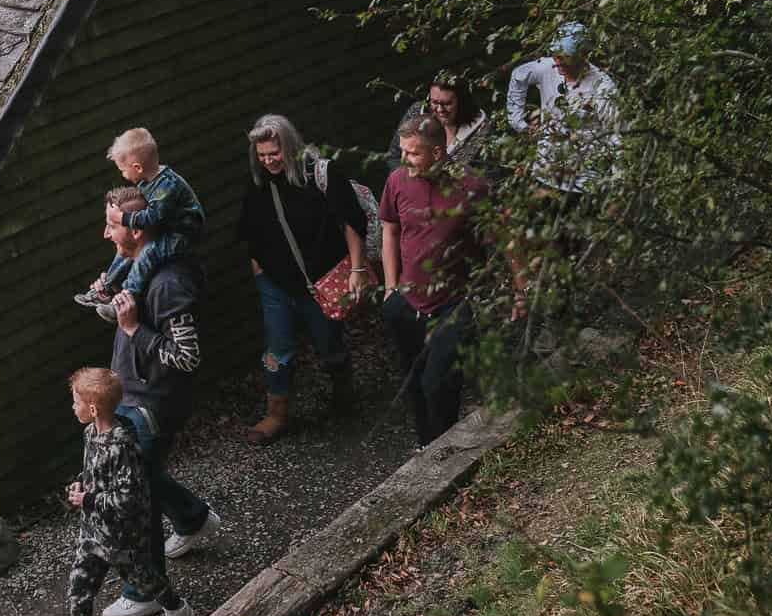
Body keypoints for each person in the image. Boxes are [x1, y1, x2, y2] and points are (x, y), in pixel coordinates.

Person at [100, 185, 223, 616]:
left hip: (153, 404)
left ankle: (144, 592)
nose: (106, 233)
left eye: (113, 225)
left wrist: (134, 330)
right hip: (131, 393)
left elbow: (186, 356)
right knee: (145, 476)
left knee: (134, 495)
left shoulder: (169, 283)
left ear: (141, 228)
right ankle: (193, 519)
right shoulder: (134, 267)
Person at [36, 367, 197, 616]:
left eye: (76, 402)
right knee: (80, 581)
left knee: (146, 580)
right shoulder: (91, 433)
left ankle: (178, 611)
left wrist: (89, 498)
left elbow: (129, 497)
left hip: (123, 535)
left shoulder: (123, 445)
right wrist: (82, 482)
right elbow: (94, 470)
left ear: (93, 408)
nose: (73, 407)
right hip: (93, 530)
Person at [235, 114, 371, 445]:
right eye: (262, 154)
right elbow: (249, 228)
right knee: (278, 348)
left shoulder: (320, 174)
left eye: (274, 153)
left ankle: (342, 389)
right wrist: (258, 267)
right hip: (276, 284)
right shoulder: (257, 181)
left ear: (290, 146)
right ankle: (277, 413)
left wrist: (357, 269)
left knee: (328, 342)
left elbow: (351, 221)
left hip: (321, 279)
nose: (269, 161)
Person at [379, 116, 490, 446]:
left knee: (438, 383)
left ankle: (445, 450)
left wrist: (519, 287)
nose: (404, 160)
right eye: (403, 151)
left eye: (413, 153)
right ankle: (426, 445)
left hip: (453, 305)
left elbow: (498, 236)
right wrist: (389, 287)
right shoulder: (397, 181)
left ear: (438, 153)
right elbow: (389, 230)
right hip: (407, 303)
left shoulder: (472, 187)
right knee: (413, 380)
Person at [75, 127, 206, 320]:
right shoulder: (148, 180)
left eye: (122, 170)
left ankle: (124, 300)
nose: (122, 175)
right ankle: (106, 289)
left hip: (183, 232)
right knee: (126, 251)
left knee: (149, 252)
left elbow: (151, 217)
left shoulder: (166, 187)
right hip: (169, 225)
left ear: (137, 168)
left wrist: (121, 218)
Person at [505, 21, 621, 197]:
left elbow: (617, 136)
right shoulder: (546, 68)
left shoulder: (602, 87)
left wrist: (617, 187)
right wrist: (519, 122)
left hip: (583, 187)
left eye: (565, 58)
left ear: (583, 55)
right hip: (544, 176)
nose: (557, 63)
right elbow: (518, 76)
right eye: (555, 55)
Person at [391, 73, 490, 167]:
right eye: (434, 102)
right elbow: (394, 155)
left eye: (447, 103)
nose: (440, 109)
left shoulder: (481, 129)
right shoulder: (416, 112)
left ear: (462, 102)